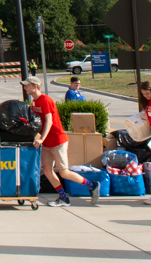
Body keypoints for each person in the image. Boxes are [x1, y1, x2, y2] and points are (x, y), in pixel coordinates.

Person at [23, 76, 100, 207]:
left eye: (27, 85)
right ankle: (63, 198)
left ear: (35, 86)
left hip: (57, 140)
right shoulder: (34, 102)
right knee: (47, 170)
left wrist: (41, 138)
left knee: (64, 172)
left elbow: (49, 121)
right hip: (46, 142)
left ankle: (92, 185)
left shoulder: (45, 100)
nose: (25, 88)